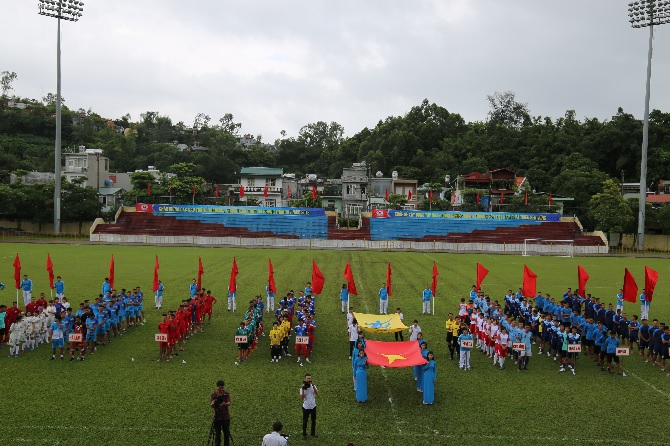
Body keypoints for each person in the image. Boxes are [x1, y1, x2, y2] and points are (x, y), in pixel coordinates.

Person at [210, 380, 231, 446]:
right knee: (217, 434)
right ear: (217, 387)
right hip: (217, 417)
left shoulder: (226, 394)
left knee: (226, 433)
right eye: (220, 387)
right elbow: (212, 405)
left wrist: (224, 404)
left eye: (222, 387)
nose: (221, 389)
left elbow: (229, 403)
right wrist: (213, 403)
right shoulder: (213, 395)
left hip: (225, 417)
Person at [300, 373, 318, 440]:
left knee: (313, 420)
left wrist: (313, 386)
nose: (309, 380)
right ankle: (304, 434)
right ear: (305, 379)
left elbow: (317, 393)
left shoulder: (313, 386)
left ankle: (313, 433)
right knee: (305, 421)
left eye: (310, 378)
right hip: (306, 407)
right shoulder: (302, 387)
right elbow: (302, 398)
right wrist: (303, 389)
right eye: (307, 378)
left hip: (313, 406)